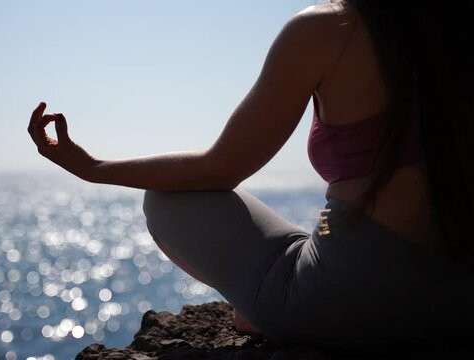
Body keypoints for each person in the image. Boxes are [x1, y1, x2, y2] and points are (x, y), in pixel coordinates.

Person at [27, 0, 474, 353]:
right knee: (321, 228)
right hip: (459, 299)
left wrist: (93, 168)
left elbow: (218, 168)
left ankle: (262, 309)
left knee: (166, 200)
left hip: (352, 304)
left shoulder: (329, 29)